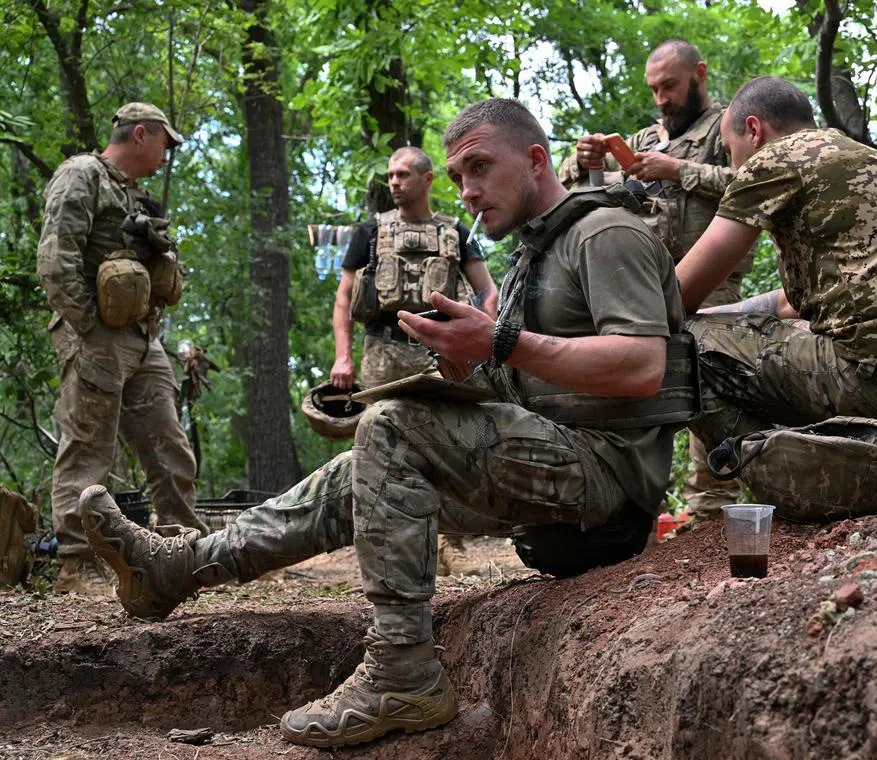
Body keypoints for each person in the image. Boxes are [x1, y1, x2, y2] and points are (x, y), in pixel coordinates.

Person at [79, 98, 691, 749]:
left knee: (394, 426)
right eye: (457, 178)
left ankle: (403, 671)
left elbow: (641, 367)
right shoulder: (536, 253)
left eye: (479, 167)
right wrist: (468, 371)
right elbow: (534, 375)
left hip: (607, 486)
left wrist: (499, 345)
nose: (469, 190)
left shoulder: (605, 235)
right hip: (555, 466)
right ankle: (176, 570)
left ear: (536, 159)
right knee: (363, 462)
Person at [676, 76, 877, 459]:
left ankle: (791, 482)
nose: (733, 165)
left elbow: (678, 296)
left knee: (678, 345)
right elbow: (789, 305)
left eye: (730, 151)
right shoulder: (869, 160)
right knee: (744, 330)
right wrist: (717, 316)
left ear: (753, 130)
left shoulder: (773, 159)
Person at [560, 38, 747, 514]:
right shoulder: (644, 141)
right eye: (654, 89)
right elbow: (586, 200)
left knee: (708, 385)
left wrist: (679, 169)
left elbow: (752, 185)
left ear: (699, 74)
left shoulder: (724, 130)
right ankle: (636, 510)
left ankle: (712, 507)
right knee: (641, 394)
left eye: (671, 86)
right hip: (643, 292)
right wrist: (582, 165)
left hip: (711, 286)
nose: (661, 98)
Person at [37, 102, 209, 596]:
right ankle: (77, 563)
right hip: (98, 336)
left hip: (142, 336)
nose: (166, 154)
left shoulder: (134, 195)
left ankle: (186, 552)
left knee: (169, 445)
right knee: (88, 449)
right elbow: (55, 261)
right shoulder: (81, 176)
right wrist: (88, 325)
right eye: (164, 143)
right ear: (140, 134)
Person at [329, 146, 498, 391]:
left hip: (443, 350)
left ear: (427, 178)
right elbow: (344, 297)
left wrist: (488, 348)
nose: (394, 183)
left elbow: (488, 294)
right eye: (390, 176)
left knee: (447, 425)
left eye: (403, 175)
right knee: (376, 424)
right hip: (382, 355)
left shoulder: (455, 232)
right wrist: (342, 357)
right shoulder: (370, 232)